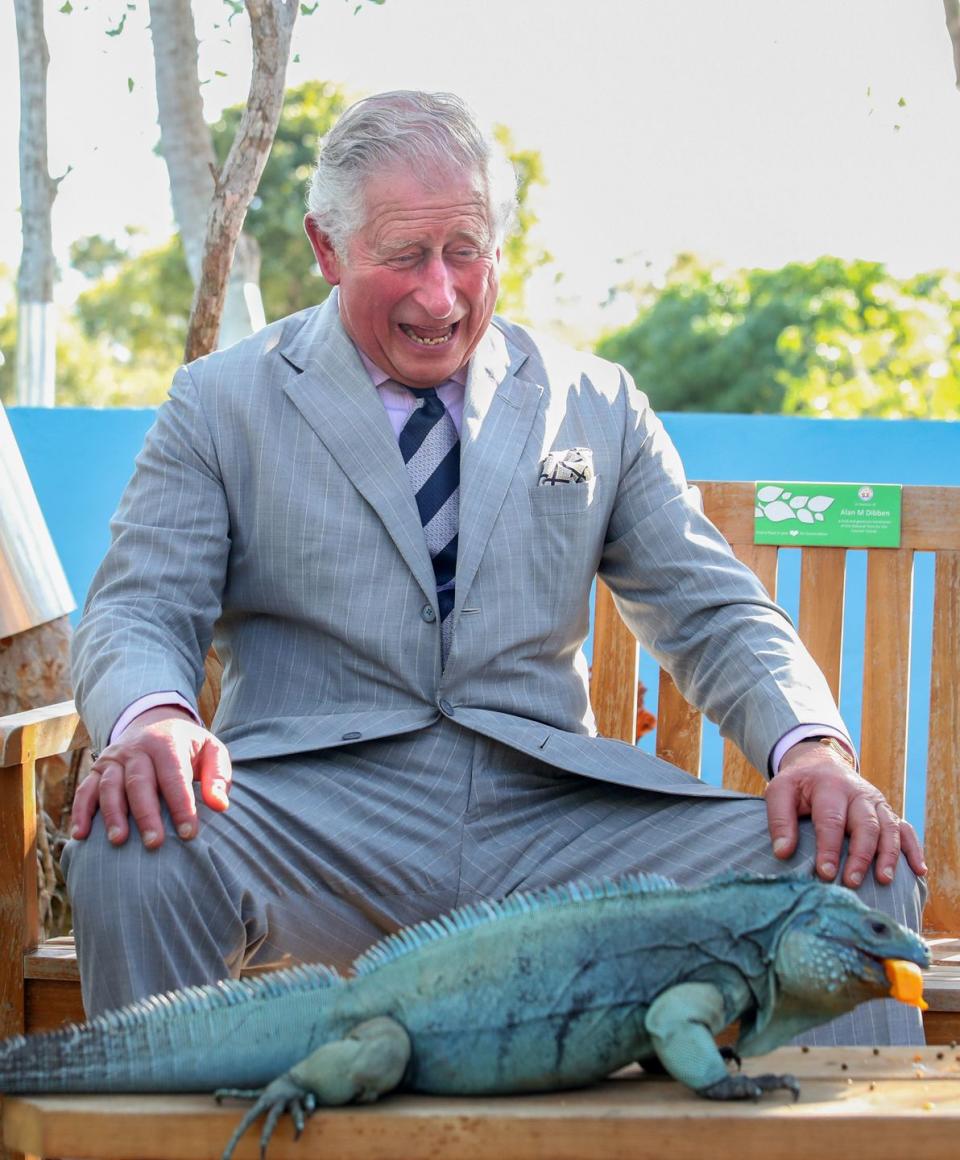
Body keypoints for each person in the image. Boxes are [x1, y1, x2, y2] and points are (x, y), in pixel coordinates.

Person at [64, 90, 925, 1045]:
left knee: (856, 868)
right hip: (313, 818)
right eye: (404, 257)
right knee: (131, 843)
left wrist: (811, 748)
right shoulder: (219, 402)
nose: (441, 296)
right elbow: (139, 606)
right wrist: (155, 721)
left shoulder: (597, 403)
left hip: (552, 819)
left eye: (464, 250)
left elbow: (712, 612)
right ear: (327, 249)